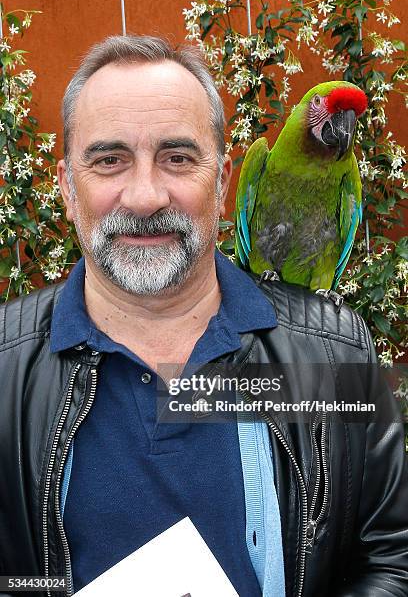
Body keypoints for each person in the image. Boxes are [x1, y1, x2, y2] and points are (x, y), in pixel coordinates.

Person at [0, 35, 407, 597]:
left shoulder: (332, 353)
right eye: (110, 159)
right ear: (68, 188)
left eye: (178, 158)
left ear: (221, 186)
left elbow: (392, 559)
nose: (145, 196)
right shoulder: (4, 369)